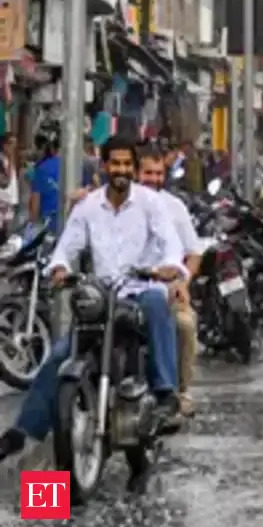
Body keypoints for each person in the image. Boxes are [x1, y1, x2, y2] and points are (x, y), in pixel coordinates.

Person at [0, 135, 188, 464]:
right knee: (60, 354)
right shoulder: (87, 206)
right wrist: (60, 270)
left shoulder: (151, 203)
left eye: (127, 164)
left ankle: (165, 395)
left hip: (140, 291)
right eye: (115, 163)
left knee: (158, 304)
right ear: (104, 166)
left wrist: (169, 269)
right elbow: (66, 248)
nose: (121, 170)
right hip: (99, 295)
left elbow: (172, 245)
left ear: (133, 167)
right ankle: (22, 433)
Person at [138, 146, 202, 417]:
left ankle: (179, 391)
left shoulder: (174, 207)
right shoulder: (119, 204)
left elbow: (193, 253)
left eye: (158, 173)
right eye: (147, 173)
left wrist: (182, 283)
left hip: (165, 292)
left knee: (185, 325)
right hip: (125, 290)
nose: (153, 178)